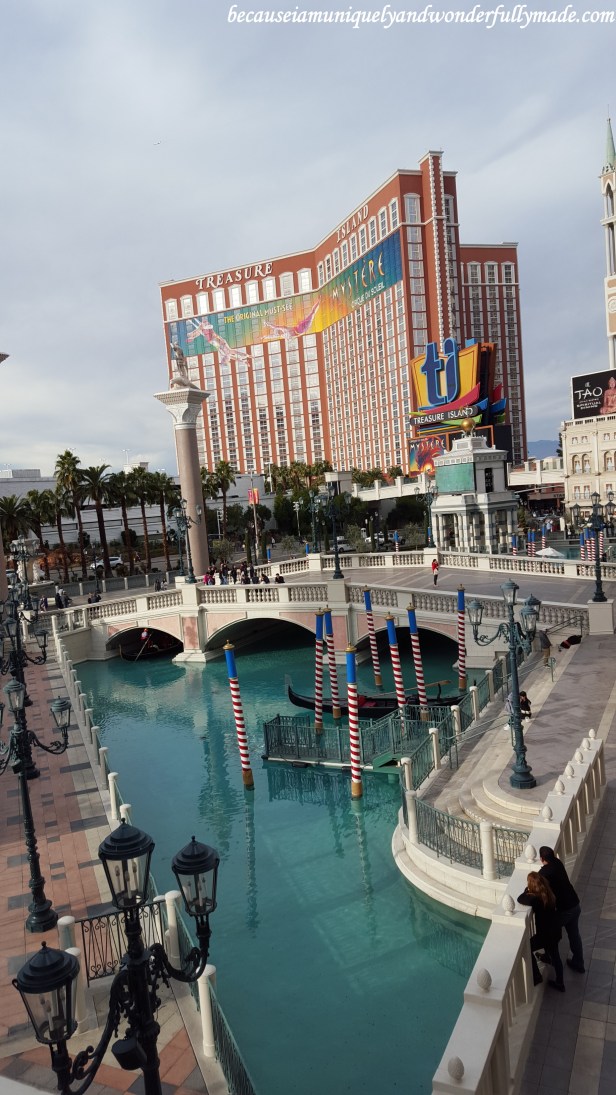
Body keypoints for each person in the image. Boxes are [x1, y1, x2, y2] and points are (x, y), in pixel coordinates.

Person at [539, 846, 585, 973]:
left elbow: (536, 884)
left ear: (541, 858)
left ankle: (551, 958)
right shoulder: (558, 863)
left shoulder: (545, 872)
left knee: (549, 931)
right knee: (574, 935)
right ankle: (578, 963)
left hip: (565, 909)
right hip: (575, 904)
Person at [517, 872, 564, 991]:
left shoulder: (535, 900)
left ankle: (537, 976)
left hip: (545, 935)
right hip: (555, 931)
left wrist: (526, 890)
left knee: (527, 947)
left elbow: (520, 898)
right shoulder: (549, 893)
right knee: (556, 955)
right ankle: (560, 981)